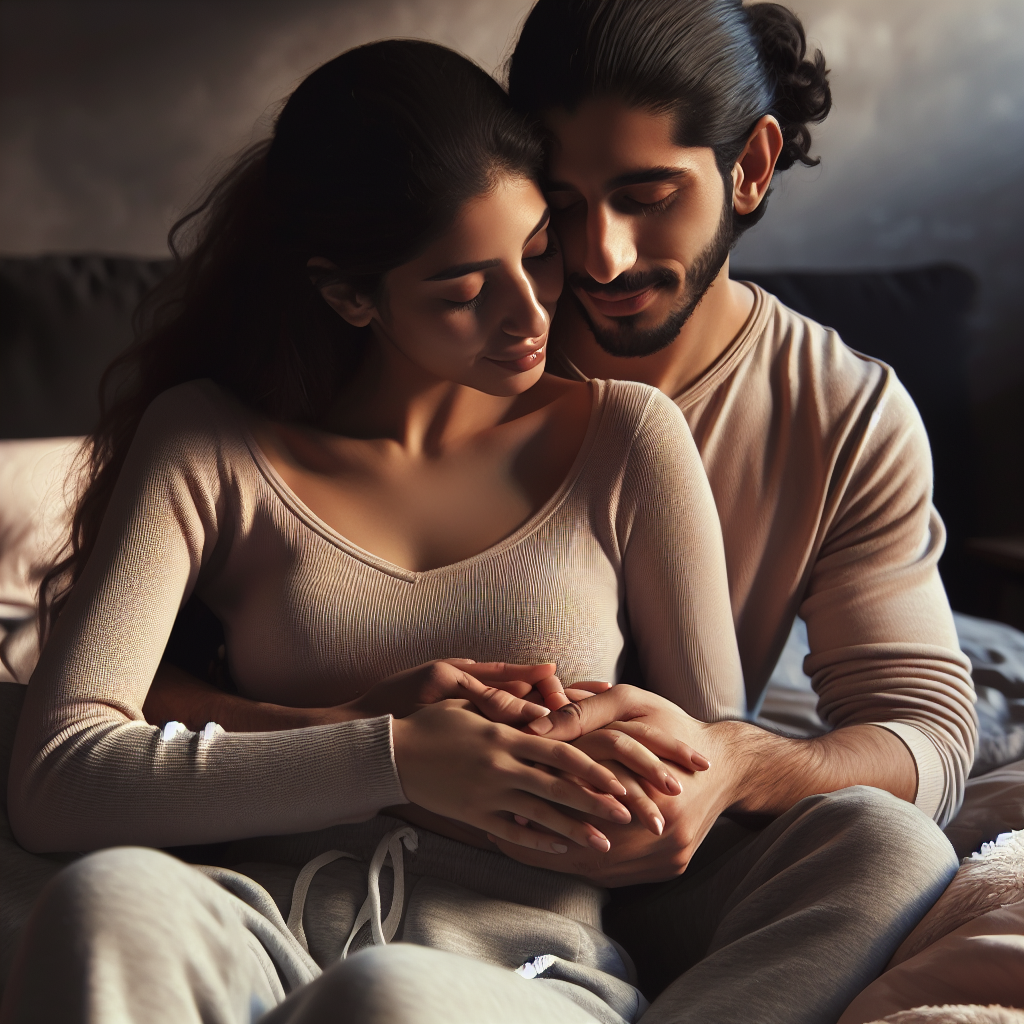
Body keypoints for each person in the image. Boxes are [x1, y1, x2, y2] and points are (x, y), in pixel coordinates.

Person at [130, 2, 977, 1022]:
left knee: (891, 846)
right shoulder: (428, 322)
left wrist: (733, 762)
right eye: (562, 206)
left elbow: (924, 735)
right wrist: (379, 744)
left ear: (750, 166)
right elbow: (123, 706)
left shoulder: (838, 413)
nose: (599, 258)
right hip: (335, 838)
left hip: (606, 868)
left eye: (645, 194)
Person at [3, 38, 754, 1024]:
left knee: (386, 995)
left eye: (536, 253)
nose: (530, 313)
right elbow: (58, 777)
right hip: (255, 928)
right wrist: (392, 757)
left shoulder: (627, 440)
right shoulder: (207, 442)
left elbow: (705, 789)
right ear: (349, 293)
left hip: (520, 973)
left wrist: (629, 795)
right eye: (462, 287)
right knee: (111, 899)